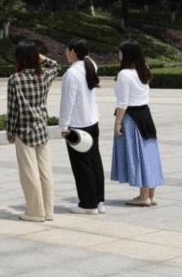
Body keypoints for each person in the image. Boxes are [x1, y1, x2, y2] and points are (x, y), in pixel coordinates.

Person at [7, 41, 60, 222]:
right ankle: (48, 211)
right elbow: (56, 66)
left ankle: (35, 212)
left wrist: (10, 133)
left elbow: (13, 110)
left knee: (29, 172)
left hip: (24, 131)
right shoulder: (44, 75)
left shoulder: (15, 79)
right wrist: (41, 57)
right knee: (45, 171)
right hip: (41, 129)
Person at [111, 41, 165, 206]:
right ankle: (151, 195)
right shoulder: (144, 69)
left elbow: (123, 103)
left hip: (132, 118)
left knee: (138, 156)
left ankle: (143, 197)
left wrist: (118, 123)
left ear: (126, 54)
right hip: (146, 115)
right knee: (149, 154)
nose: (118, 55)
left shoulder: (124, 74)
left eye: (120, 52)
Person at [59, 39, 104, 215]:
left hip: (77, 126)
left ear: (73, 52)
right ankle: (99, 201)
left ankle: (87, 204)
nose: (65, 53)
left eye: (67, 50)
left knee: (82, 166)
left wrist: (64, 126)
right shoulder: (90, 64)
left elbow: (68, 102)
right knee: (95, 162)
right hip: (92, 121)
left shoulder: (71, 74)